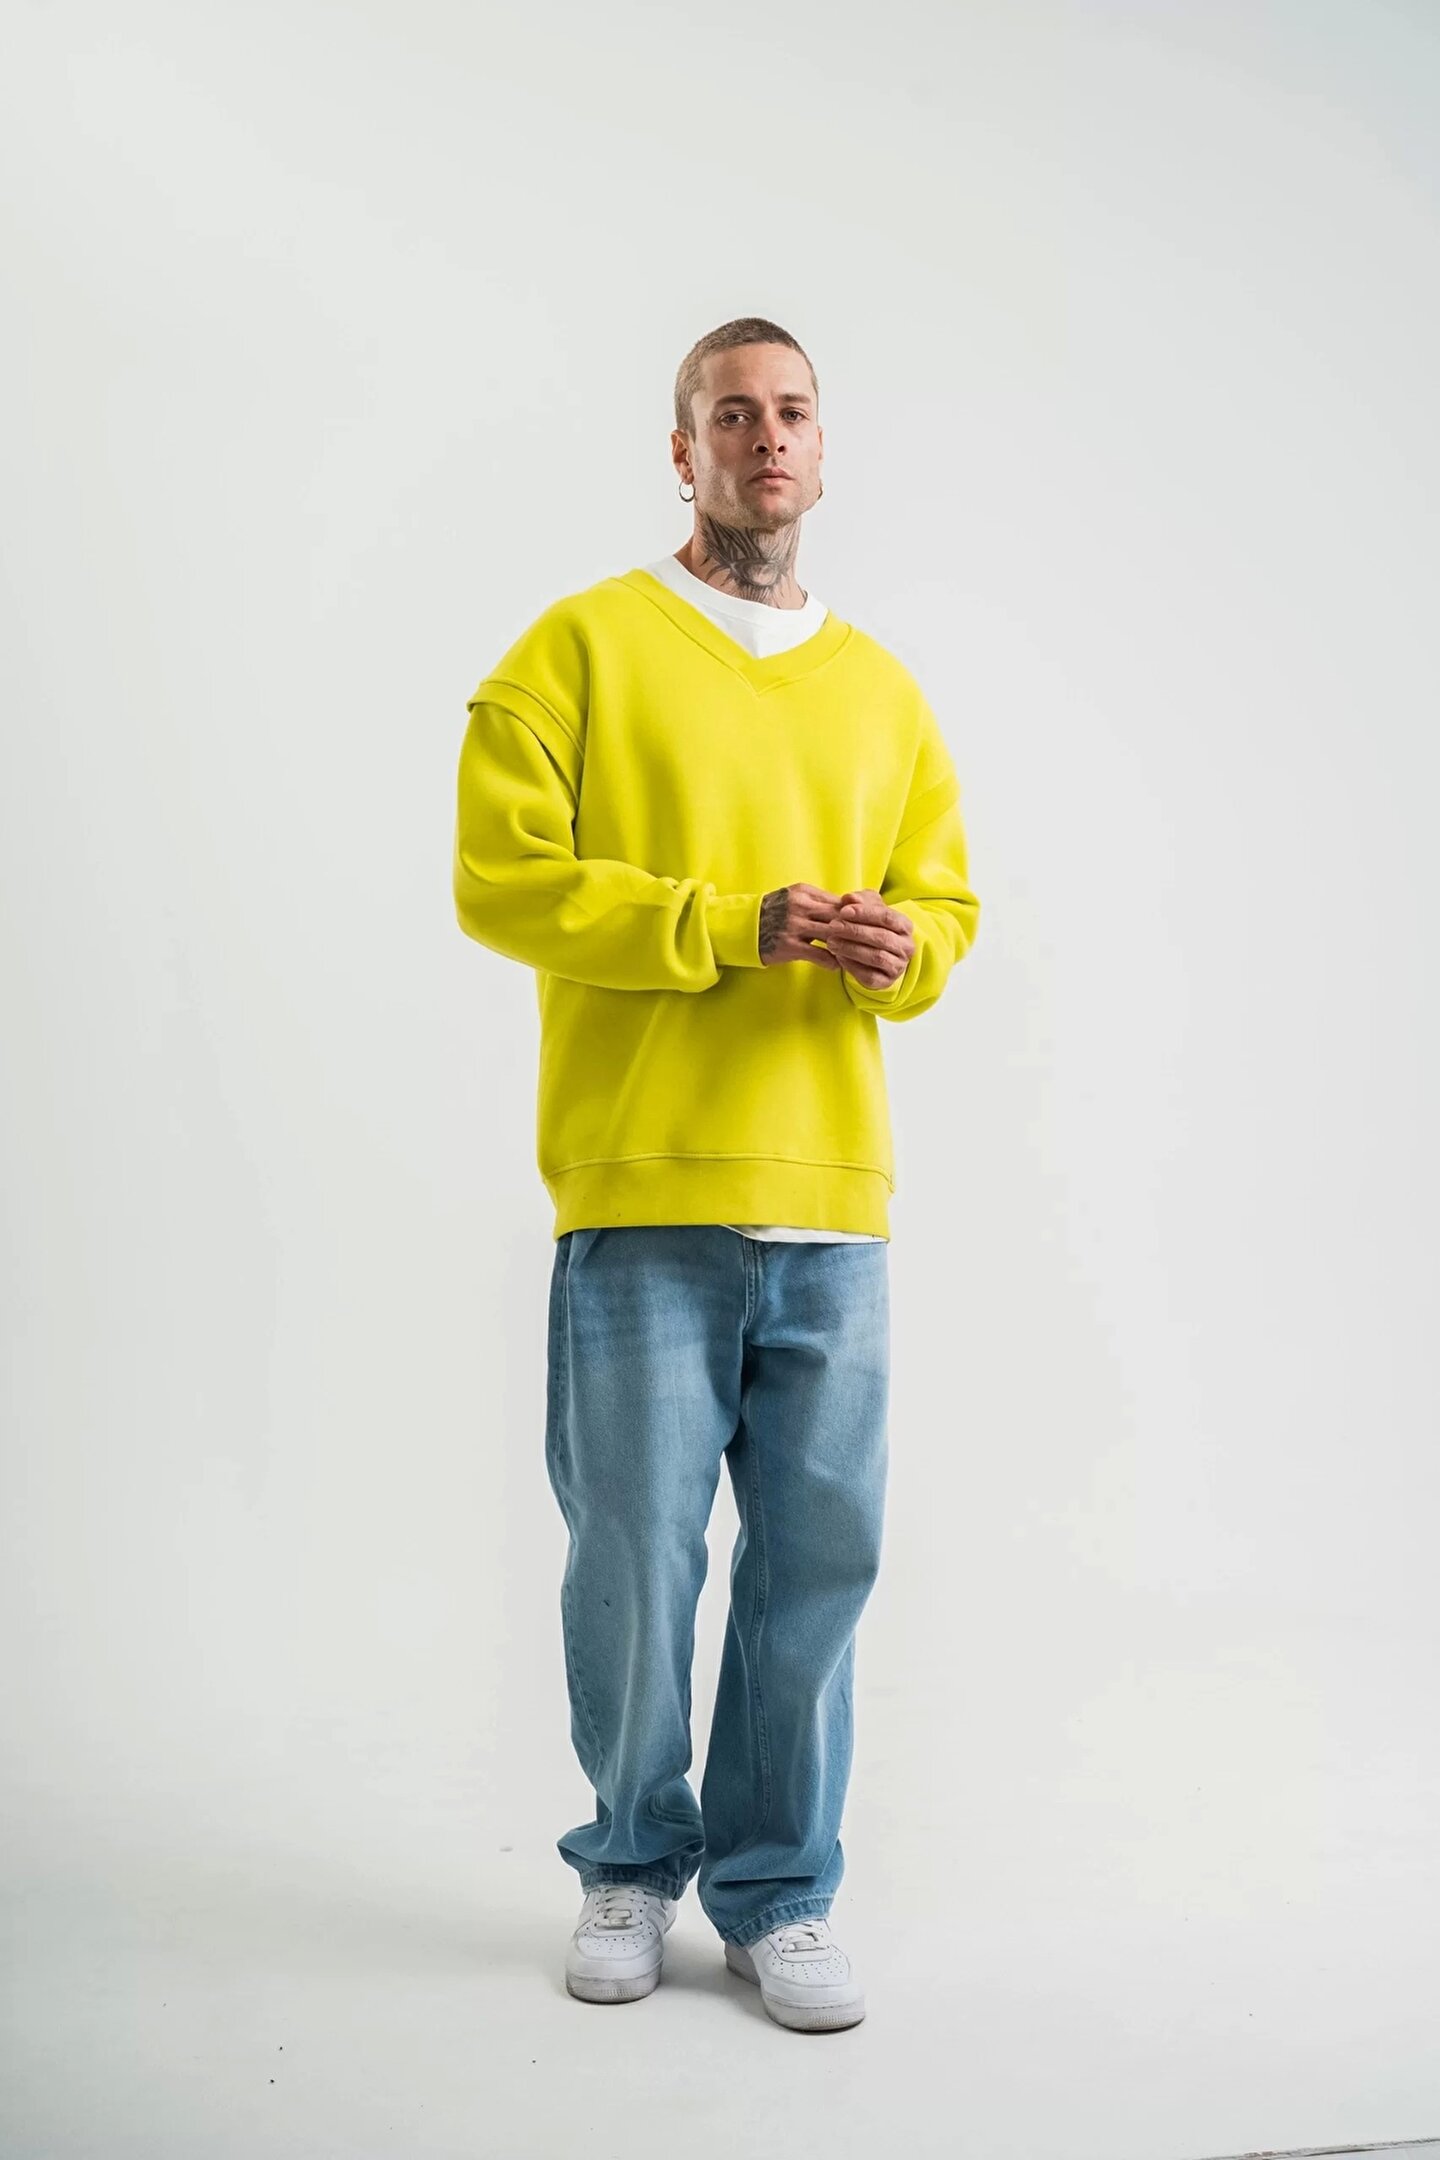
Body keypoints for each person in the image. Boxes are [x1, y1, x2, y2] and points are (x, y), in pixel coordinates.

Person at [452, 316, 981, 2033]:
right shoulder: (580, 650)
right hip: (642, 1192)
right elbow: (499, 879)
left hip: (831, 1200)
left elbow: (947, 906)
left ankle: (779, 1894)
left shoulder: (883, 691)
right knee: (636, 1561)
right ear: (680, 452)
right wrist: (721, 924)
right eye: (731, 414)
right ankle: (627, 1861)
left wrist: (905, 949)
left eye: (793, 412)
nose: (767, 439)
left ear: (823, 449)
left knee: (818, 1566)